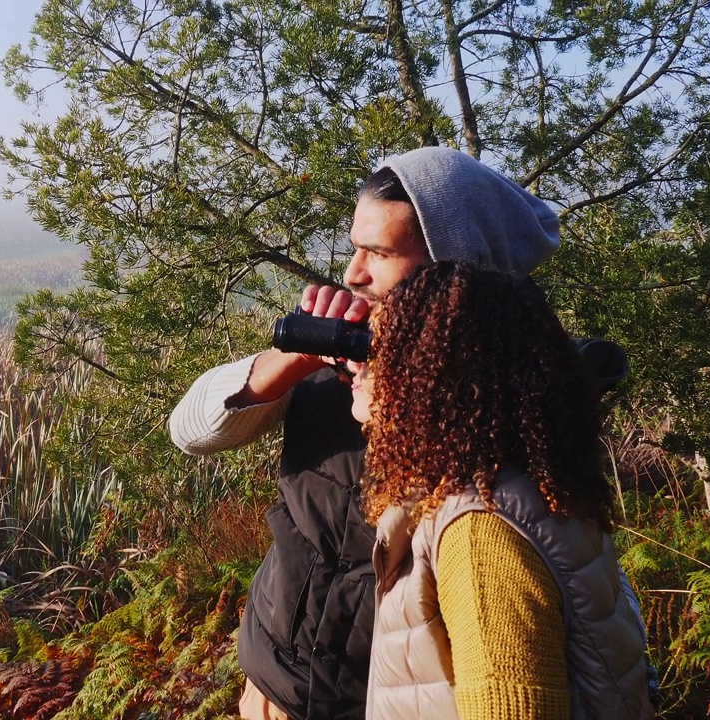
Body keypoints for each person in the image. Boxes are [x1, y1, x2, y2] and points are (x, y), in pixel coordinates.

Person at [170, 146, 569, 720]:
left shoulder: (502, 413)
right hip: (275, 689)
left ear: (453, 269)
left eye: (378, 253)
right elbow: (192, 431)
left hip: (387, 702)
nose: (353, 275)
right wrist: (298, 357)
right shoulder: (339, 364)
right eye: (354, 247)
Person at [352, 261, 652, 719]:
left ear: (431, 379)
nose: (362, 368)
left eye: (385, 352)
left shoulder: (481, 536)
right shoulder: (537, 487)